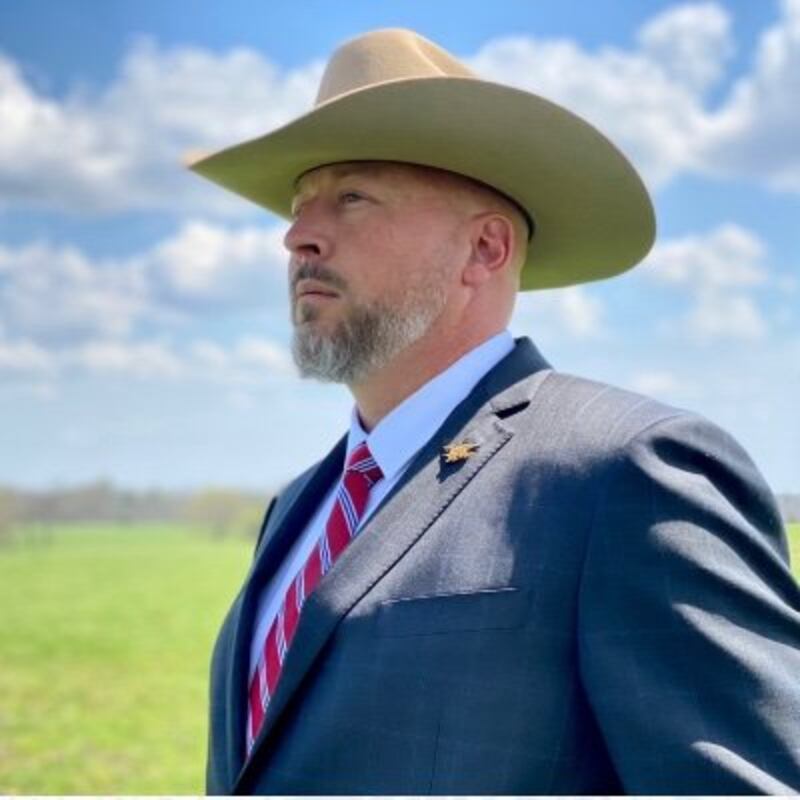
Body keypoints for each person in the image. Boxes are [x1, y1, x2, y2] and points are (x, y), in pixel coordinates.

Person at [189, 29, 800, 795]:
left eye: (352, 196)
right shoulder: (296, 508)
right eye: (299, 204)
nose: (299, 236)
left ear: (483, 249)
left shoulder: (624, 472)